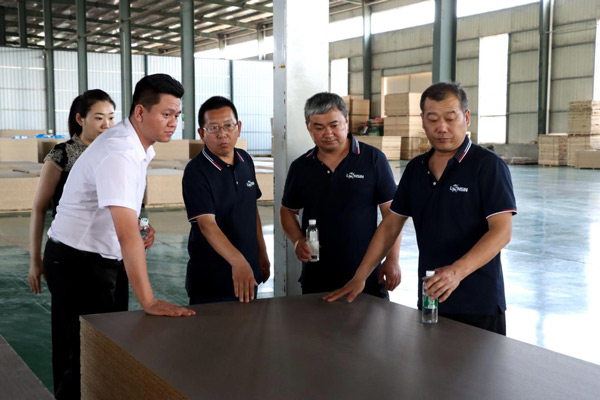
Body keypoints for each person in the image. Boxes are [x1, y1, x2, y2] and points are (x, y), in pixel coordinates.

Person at [43, 74, 195, 400]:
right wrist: (149, 301)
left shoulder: (136, 146)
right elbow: (127, 237)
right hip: (78, 262)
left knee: (103, 349)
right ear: (140, 112)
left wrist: (141, 224)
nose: (174, 122)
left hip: (98, 258)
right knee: (86, 358)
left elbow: (123, 209)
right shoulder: (120, 152)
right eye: (166, 114)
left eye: (177, 115)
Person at [324, 82, 517, 335]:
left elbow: (501, 232)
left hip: (478, 302)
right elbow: (391, 225)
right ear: (423, 120)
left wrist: (456, 272)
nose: (442, 128)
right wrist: (360, 277)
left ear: (466, 118)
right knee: (431, 359)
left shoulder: (487, 166)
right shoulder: (417, 169)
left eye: (450, 118)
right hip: (430, 299)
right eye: (433, 119)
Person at [280, 92, 402, 298]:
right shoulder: (301, 167)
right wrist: (298, 240)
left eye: (334, 125)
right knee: (315, 319)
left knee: (372, 320)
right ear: (308, 127)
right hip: (317, 276)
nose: (328, 133)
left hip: (366, 275)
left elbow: (392, 215)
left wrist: (392, 259)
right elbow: (287, 211)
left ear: (346, 121)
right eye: (319, 128)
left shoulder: (373, 159)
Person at [182, 96, 270, 304]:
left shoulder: (245, 160)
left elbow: (252, 210)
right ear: (202, 134)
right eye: (213, 128)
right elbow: (207, 225)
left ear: (238, 127)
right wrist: (238, 262)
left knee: (249, 324)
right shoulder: (196, 171)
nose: (222, 134)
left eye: (228, 126)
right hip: (212, 279)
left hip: (248, 273)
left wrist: (262, 252)